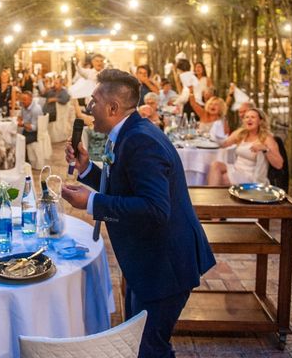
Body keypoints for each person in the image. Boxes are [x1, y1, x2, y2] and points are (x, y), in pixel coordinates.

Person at [61, 69, 215, 358]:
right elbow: (124, 185)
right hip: (147, 261)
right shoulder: (129, 131)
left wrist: (93, 203)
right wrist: (87, 170)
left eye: (93, 101)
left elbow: (155, 208)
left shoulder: (141, 141)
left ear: (112, 108)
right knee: (138, 342)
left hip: (164, 266)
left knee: (149, 348)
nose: (89, 108)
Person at [207, 108, 283, 186]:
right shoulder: (241, 133)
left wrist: (265, 149)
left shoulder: (266, 138)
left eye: (252, 117)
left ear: (260, 121)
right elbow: (224, 144)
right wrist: (218, 130)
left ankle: (212, 196)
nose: (249, 119)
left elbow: (279, 165)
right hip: (236, 169)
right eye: (246, 117)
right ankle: (212, 196)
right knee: (215, 165)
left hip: (251, 176)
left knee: (220, 178)